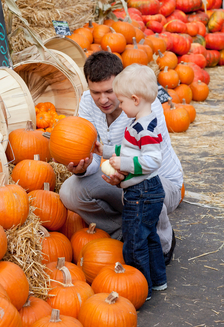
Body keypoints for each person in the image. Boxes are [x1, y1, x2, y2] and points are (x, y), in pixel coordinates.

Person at [59, 51, 183, 264]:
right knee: (70, 191)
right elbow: (94, 154)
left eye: (109, 91)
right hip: (121, 177)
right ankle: (125, 231)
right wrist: (83, 167)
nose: (103, 99)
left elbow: (151, 160)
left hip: (160, 182)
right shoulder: (88, 102)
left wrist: (124, 171)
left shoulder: (145, 104)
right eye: (96, 92)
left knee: (143, 189)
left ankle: (162, 243)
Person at [93, 64, 167, 300]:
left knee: (134, 241)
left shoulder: (144, 127)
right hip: (146, 191)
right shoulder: (138, 122)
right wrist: (104, 150)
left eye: (122, 102)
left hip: (142, 192)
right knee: (149, 237)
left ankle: (140, 288)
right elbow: (128, 149)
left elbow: (153, 159)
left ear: (135, 99)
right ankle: (158, 280)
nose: (120, 106)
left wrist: (123, 165)